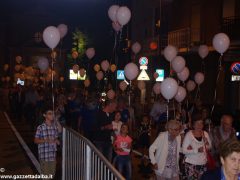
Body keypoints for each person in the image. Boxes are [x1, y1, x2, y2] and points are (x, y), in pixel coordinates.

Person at [182, 112, 212, 180]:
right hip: (191, 164)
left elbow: (209, 148)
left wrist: (206, 142)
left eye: (201, 123)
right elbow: (183, 151)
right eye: (197, 124)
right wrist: (196, 150)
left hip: (203, 164)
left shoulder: (205, 133)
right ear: (193, 125)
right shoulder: (189, 135)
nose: (199, 125)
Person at [34, 106, 62, 178]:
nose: (52, 115)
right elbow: (36, 140)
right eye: (49, 113)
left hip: (52, 155)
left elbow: (60, 130)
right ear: (44, 115)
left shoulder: (54, 126)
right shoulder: (40, 127)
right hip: (44, 156)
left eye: (53, 113)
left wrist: (56, 140)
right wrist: (46, 140)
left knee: (52, 175)